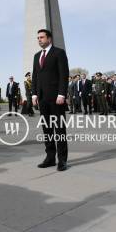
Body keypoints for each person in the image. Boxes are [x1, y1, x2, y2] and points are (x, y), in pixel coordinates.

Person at [32, 29, 69, 171]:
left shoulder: (59, 53)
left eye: (41, 37)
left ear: (49, 39)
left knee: (59, 129)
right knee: (47, 129)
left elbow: (63, 75)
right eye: (38, 38)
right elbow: (35, 76)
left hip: (56, 98)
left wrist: (61, 94)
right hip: (42, 99)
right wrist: (34, 94)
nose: (39, 40)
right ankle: (50, 157)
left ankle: (62, 160)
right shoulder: (36, 56)